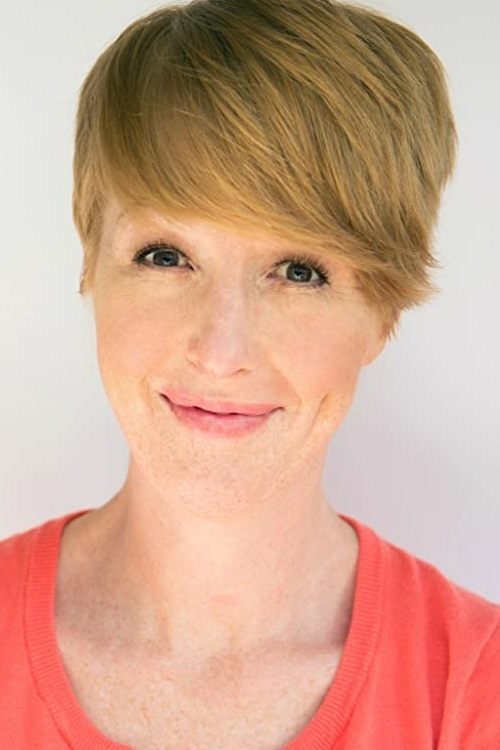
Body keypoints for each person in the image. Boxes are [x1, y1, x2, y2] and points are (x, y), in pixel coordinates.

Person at [1, 0, 499, 747]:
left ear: (383, 315)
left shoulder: (477, 687)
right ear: (90, 271)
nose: (221, 349)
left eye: (298, 271)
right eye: (165, 256)